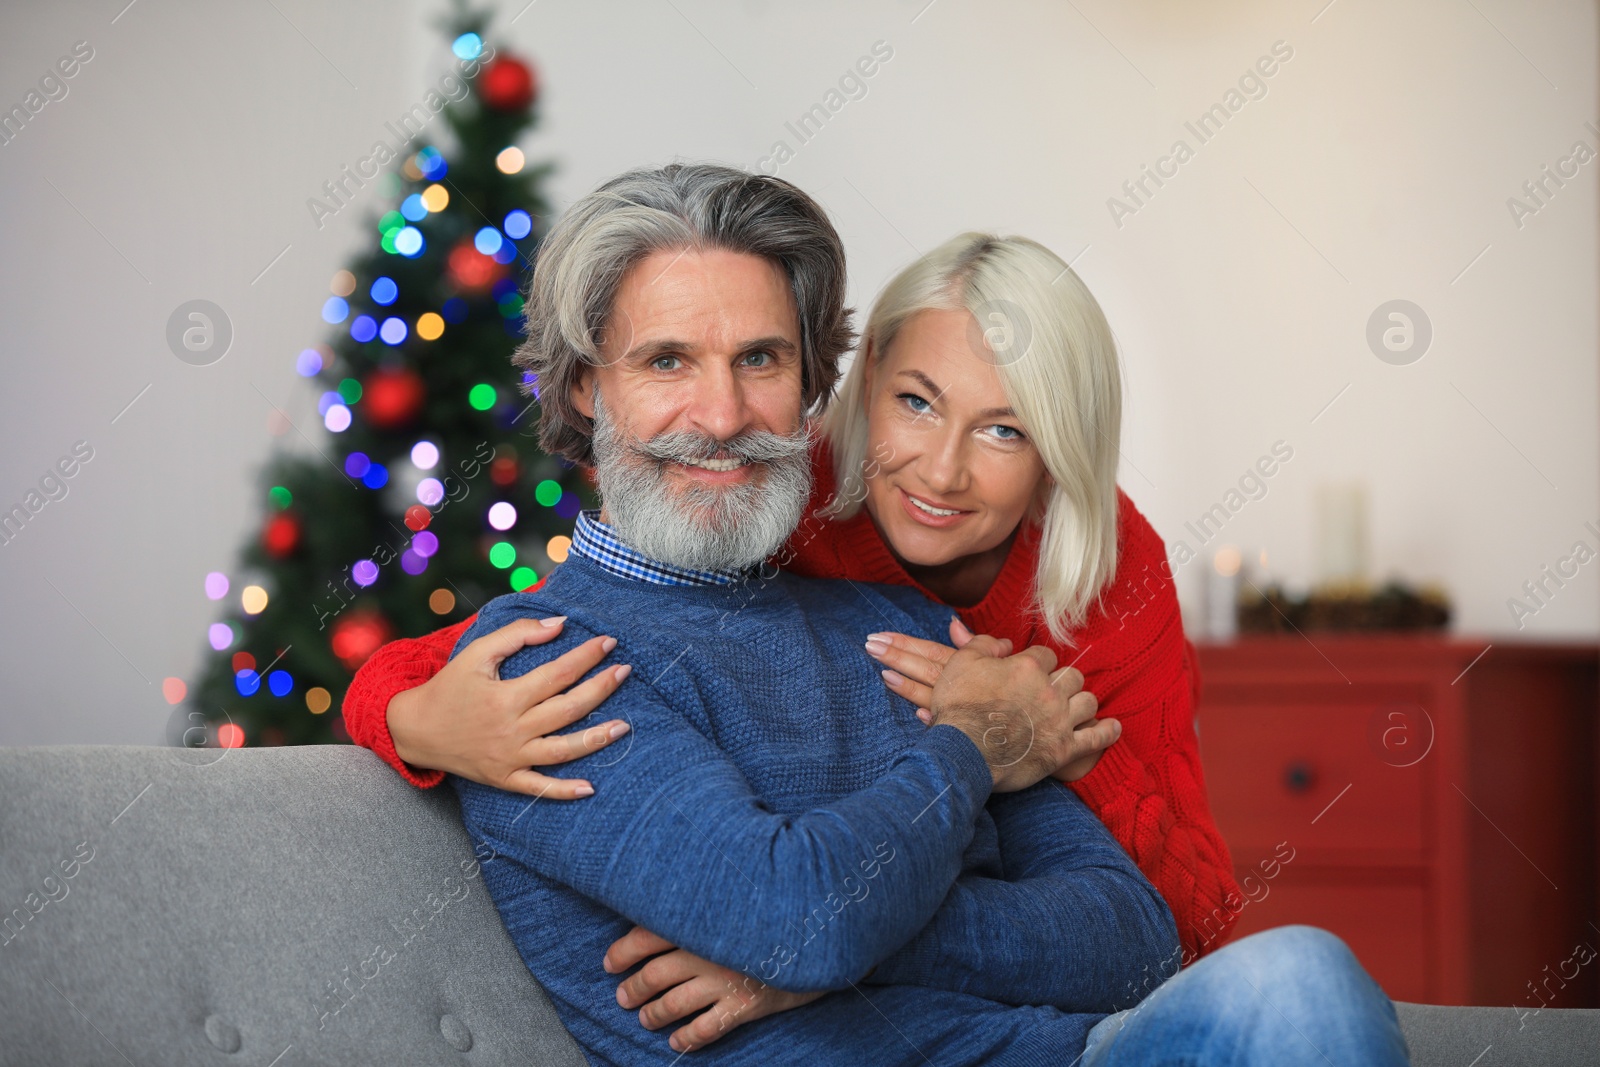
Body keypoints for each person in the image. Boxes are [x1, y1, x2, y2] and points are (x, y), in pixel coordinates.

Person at [396, 163, 1411, 1065]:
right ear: (583, 390)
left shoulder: (899, 620)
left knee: (1299, 975)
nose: (721, 415)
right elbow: (795, 915)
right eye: (666, 361)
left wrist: (850, 943)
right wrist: (970, 745)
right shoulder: (535, 669)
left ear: (810, 392)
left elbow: (1133, 936)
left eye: (760, 360)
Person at [344, 236, 1239, 976]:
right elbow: (560, 623)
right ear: (865, 373)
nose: (942, 470)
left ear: (1059, 448)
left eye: (1006, 429)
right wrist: (415, 717)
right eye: (917, 404)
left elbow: (1194, 917)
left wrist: (1049, 736)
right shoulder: (779, 487)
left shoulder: (1108, 568)